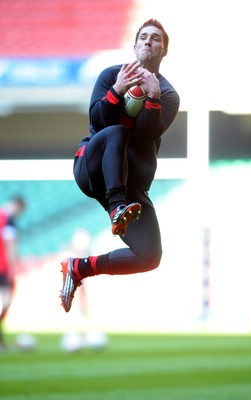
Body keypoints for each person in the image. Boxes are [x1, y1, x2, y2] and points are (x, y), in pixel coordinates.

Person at [60, 19, 180, 312]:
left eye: (155, 39)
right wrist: (116, 90)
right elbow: (97, 122)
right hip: (93, 168)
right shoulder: (110, 75)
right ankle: (116, 209)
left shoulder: (167, 95)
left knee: (149, 255)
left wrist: (151, 97)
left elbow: (146, 136)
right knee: (116, 131)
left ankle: (79, 268)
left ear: (163, 50)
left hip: (131, 183)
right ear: (135, 45)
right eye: (143, 37)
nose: (149, 41)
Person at [0, 197, 25, 349]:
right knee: (6, 301)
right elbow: (11, 246)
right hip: (3, 268)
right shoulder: (9, 220)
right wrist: (12, 269)